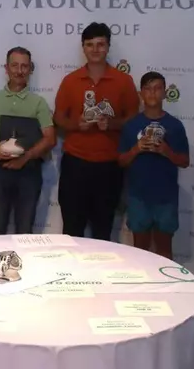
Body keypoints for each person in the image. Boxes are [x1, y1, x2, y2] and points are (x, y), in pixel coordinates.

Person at [53, 22, 140, 240]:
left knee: (103, 230)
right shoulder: (70, 81)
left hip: (109, 165)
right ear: (83, 47)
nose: (95, 49)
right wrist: (77, 124)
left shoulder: (124, 81)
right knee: (72, 229)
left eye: (100, 44)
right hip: (75, 163)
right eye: (90, 44)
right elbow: (58, 118)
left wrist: (112, 124)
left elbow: (133, 119)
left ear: (108, 47)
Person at [0, 47, 56, 235]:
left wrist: (25, 158)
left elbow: (50, 138)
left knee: (25, 231)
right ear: (6, 68)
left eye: (24, 66)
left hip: (29, 172)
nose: (19, 71)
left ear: (30, 69)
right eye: (14, 65)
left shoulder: (38, 102)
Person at [118, 71, 189, 259]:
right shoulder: (131, 125)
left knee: (164, 250)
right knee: (140, 251)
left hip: (166, 197)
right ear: (141, 93)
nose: (152, 93)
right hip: (138, 196)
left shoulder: (175, 126)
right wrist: (136, 149)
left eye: (157, 88)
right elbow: (121, 161)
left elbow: (185, 161)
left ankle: (165, 279)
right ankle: (141, 280)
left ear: (165, 93)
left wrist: (167, 152)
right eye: (148, 89)